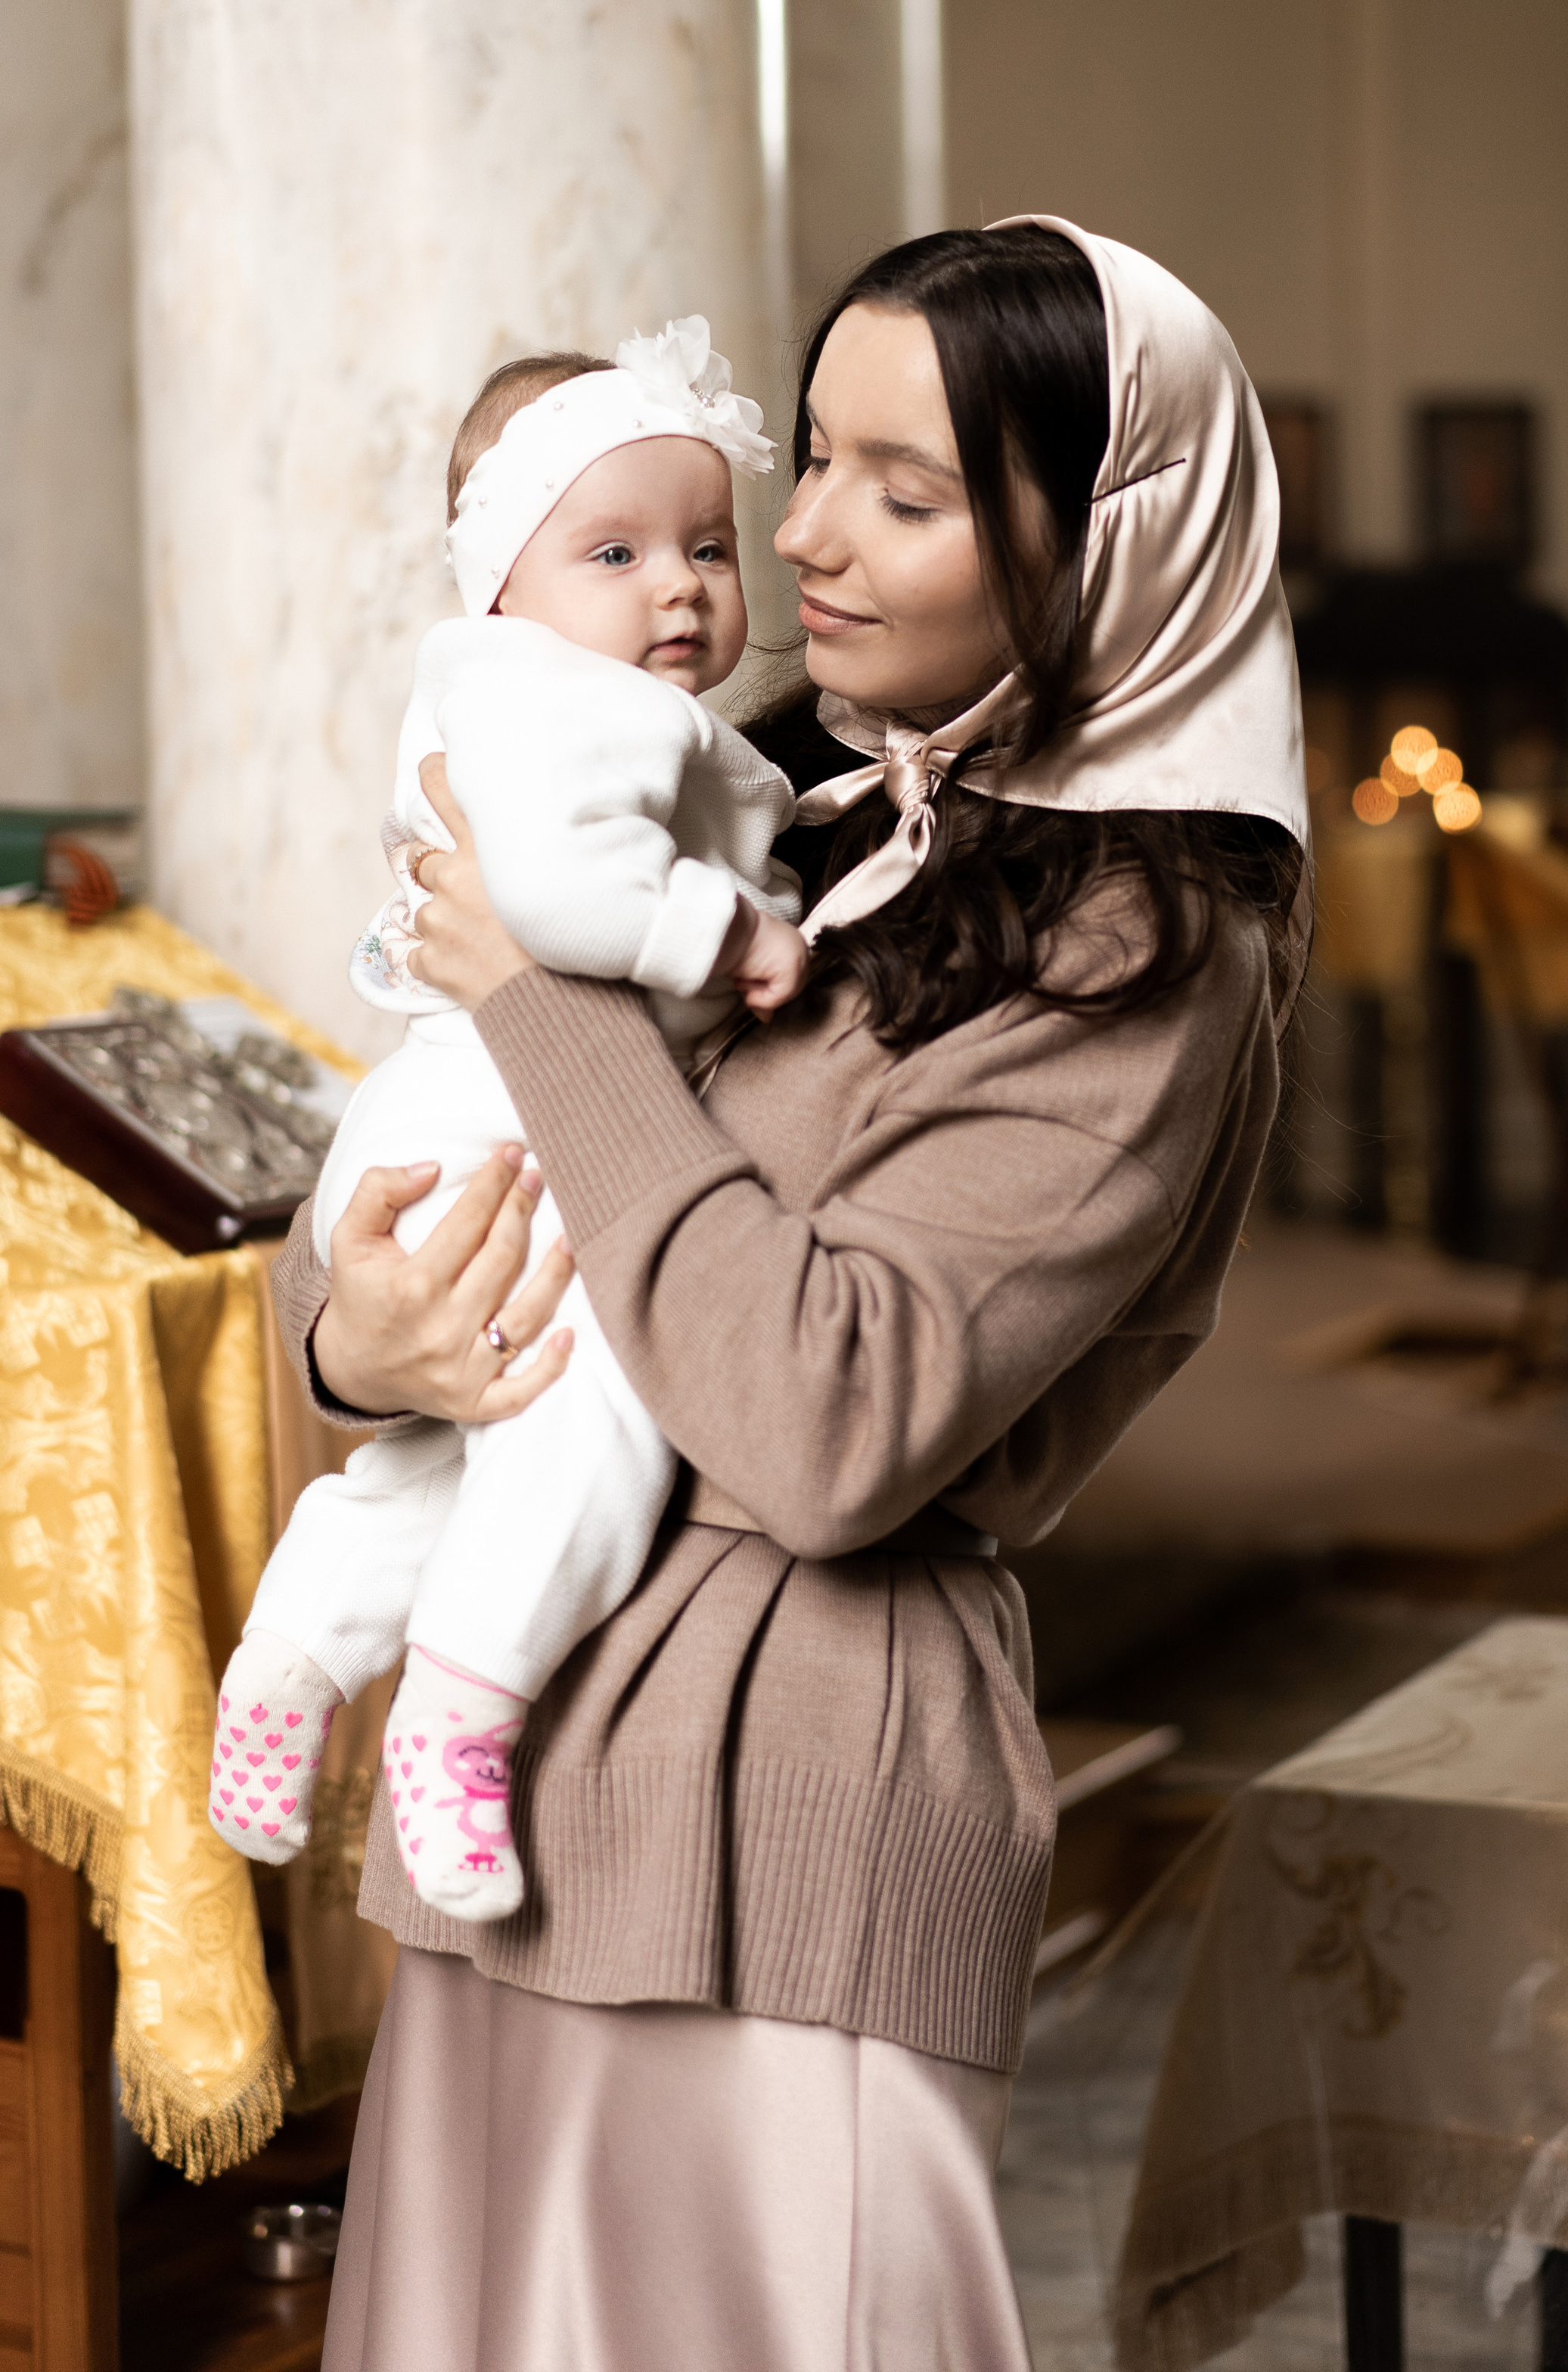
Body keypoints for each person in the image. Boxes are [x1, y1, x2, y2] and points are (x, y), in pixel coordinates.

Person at [273, 218, 1311, 2370]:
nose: (807, 543)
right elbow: (445, 1149)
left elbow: (835, 1423)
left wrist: (543, 1007)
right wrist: (351, 1336)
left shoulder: (1142, 949)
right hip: (532, 1792)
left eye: (906, 496)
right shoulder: (793, 813)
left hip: (787, 1808)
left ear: (1104, 547)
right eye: (813, 460)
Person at [216, 320, 805, 1926]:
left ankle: (291, 1668)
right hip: (509, 1114)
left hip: (431, 1108)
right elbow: (551, 890)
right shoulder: (570, 701)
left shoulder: (506, 684)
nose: (677, 589)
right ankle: (460, 1714)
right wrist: (727, 933)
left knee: (437, 1455)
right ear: (499, 582)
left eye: (704, 546)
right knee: (589, 1419)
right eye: (611, 550)